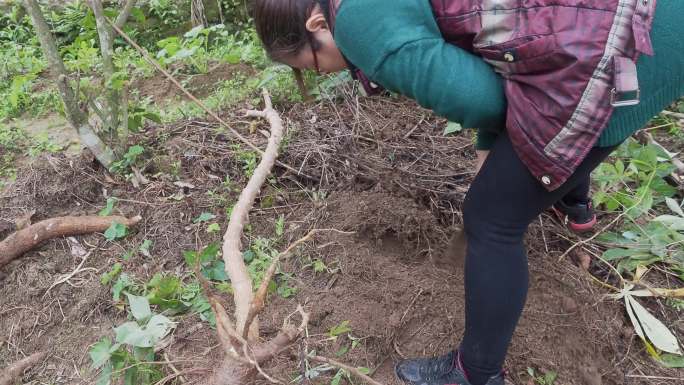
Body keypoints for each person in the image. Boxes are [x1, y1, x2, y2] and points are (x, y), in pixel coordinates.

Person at [253, 1, 684, 385]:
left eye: (312, 64)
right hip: (646, 23)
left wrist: (491, 152)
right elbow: (507, 55)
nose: (325, 71)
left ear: (317, 23)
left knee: (491, 219)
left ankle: (474, 372)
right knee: (515, 179)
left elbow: (483, 100)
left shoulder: (355, 22)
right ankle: (575, 210)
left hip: (615, 47)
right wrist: (490, 149)